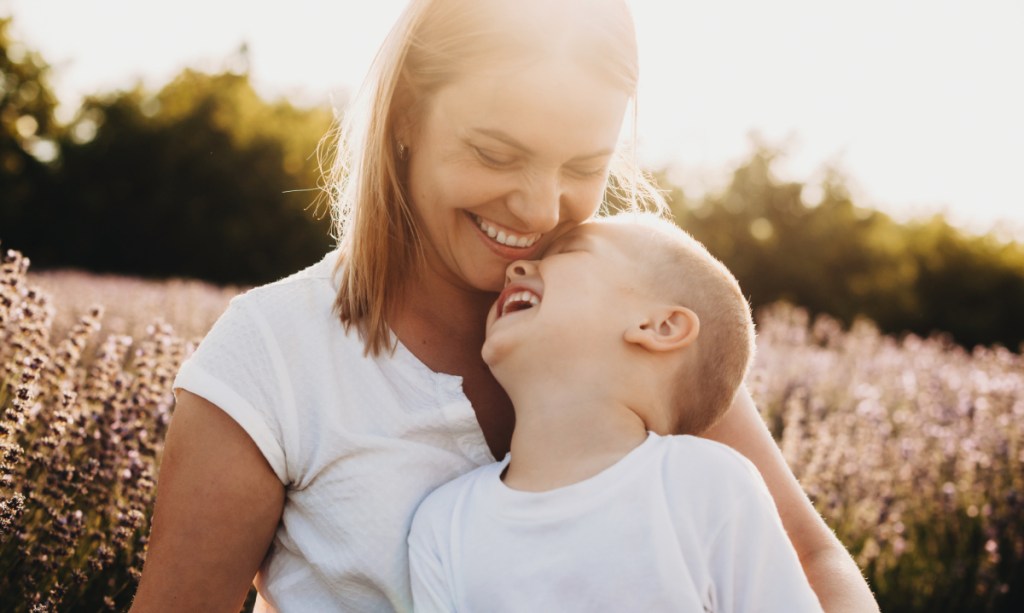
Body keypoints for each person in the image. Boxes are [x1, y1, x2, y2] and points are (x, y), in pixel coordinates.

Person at [130, 0, 878, 611]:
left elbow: (810, 560)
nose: (539, 205)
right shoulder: (274, 356)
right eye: (495, 152)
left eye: (585, 165)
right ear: (405, 118)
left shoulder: (635, 328)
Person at [408, 214, 824, 612]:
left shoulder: (708, 485)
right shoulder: (443, 525)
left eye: (567, 253)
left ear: (659, 327)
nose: (515, 268)